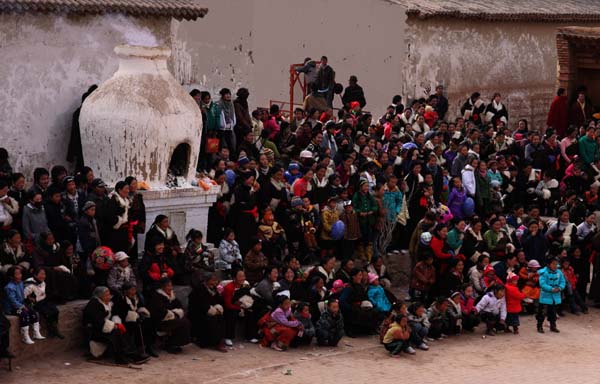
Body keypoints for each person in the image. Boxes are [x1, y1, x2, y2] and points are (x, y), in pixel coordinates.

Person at [82, 286, 147, 364]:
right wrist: (114, 326)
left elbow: (114, 314)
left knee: (123, 331)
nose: (108, 297)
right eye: (106, 295)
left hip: (105, 327)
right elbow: (97, 321)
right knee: (116, 333)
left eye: (109, 294)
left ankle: (133, 355)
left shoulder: (108, 303)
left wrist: (117, 323)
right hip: (95, 330)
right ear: (100, 296)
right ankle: (121, 358)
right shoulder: (94, 304)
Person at [147, 278, 191, 354]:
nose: (170, 288)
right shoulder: (157, 296)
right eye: (168, 286)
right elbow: (159, 311)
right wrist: (173, 314)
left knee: (185, 321)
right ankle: (170, 344)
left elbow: (179, 306)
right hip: (161, 320)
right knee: (183, 323)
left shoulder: (172, 296)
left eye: (171, 286)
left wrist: (176, 313)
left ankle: (175, 343)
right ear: (162, 287)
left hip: (172, 317)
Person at [112, 283, 156, 358]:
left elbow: (140, 306)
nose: (134, 292)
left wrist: (141, 312)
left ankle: (148, 347)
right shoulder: (120, 298)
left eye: (134, 290)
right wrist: (134, 315)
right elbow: (119, 312)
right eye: (131, 290)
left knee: (149, 323)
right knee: (134, 327)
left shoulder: (136, 297)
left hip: (135, 317)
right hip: (124, 320)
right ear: (125, 291)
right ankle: (134, 351)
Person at [187, 272, 227, 352]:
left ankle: (219, 340)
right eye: (213, 280)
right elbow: (201, 304)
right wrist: (213, 310)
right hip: (198, 312)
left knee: (221, 318)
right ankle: (213, 342)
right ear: (207, 281)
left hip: (210, 310)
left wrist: (217, 309)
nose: (215, 282)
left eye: (215, 280)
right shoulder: (199, 289)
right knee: (211, 319)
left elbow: (219, 300)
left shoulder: (213, 288)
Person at [3, 266, 43, 344]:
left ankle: (36, 332)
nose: (20, 276)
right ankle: (25, 336)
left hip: (21, 304)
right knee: (24, 314)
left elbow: (22, 294)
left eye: (20, 274)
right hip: (11, 308)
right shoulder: (9, 287)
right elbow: (13, 301)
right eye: (17, 274)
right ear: (11, 276)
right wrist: (22, 307)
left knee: (33, 312)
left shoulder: (20, 283)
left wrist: (28, 298)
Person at [24, 268, 64, 339]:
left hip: (42, 301)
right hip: (33, 304)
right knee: (48, 313)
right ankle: (53, 331)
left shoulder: (42, 282)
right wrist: (29, 299)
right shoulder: (29, 284)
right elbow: (24, 296)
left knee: (55, 311)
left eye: (44, 274)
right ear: (35, 275)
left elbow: (42, 294)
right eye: (41, 274)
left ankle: (54, 330)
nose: (43, 276)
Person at [222, 269, 259, 346]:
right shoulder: (229, 287)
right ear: (234, 278)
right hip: (230, 308)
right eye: (240, 276)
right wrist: (239, 308)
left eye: (243, 276)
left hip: (241, 306)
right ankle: (228, 337)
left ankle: (250, 336)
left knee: (251, 311)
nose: (243, 278)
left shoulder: (245, 286)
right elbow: (228, 304)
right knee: (231, 313)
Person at [536, 258, 565, 334]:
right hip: (545, 297)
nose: (555, 265)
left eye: (556, 264)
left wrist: (559, 288)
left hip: (555, 297)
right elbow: (542, 284)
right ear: (548, 264)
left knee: (553, 312)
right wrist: (551, 289)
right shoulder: (544, 273)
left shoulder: (559, 272)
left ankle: (553, 326)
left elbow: (562, 281)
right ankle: (539, 326)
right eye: (553, 264)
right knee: (542, 313)